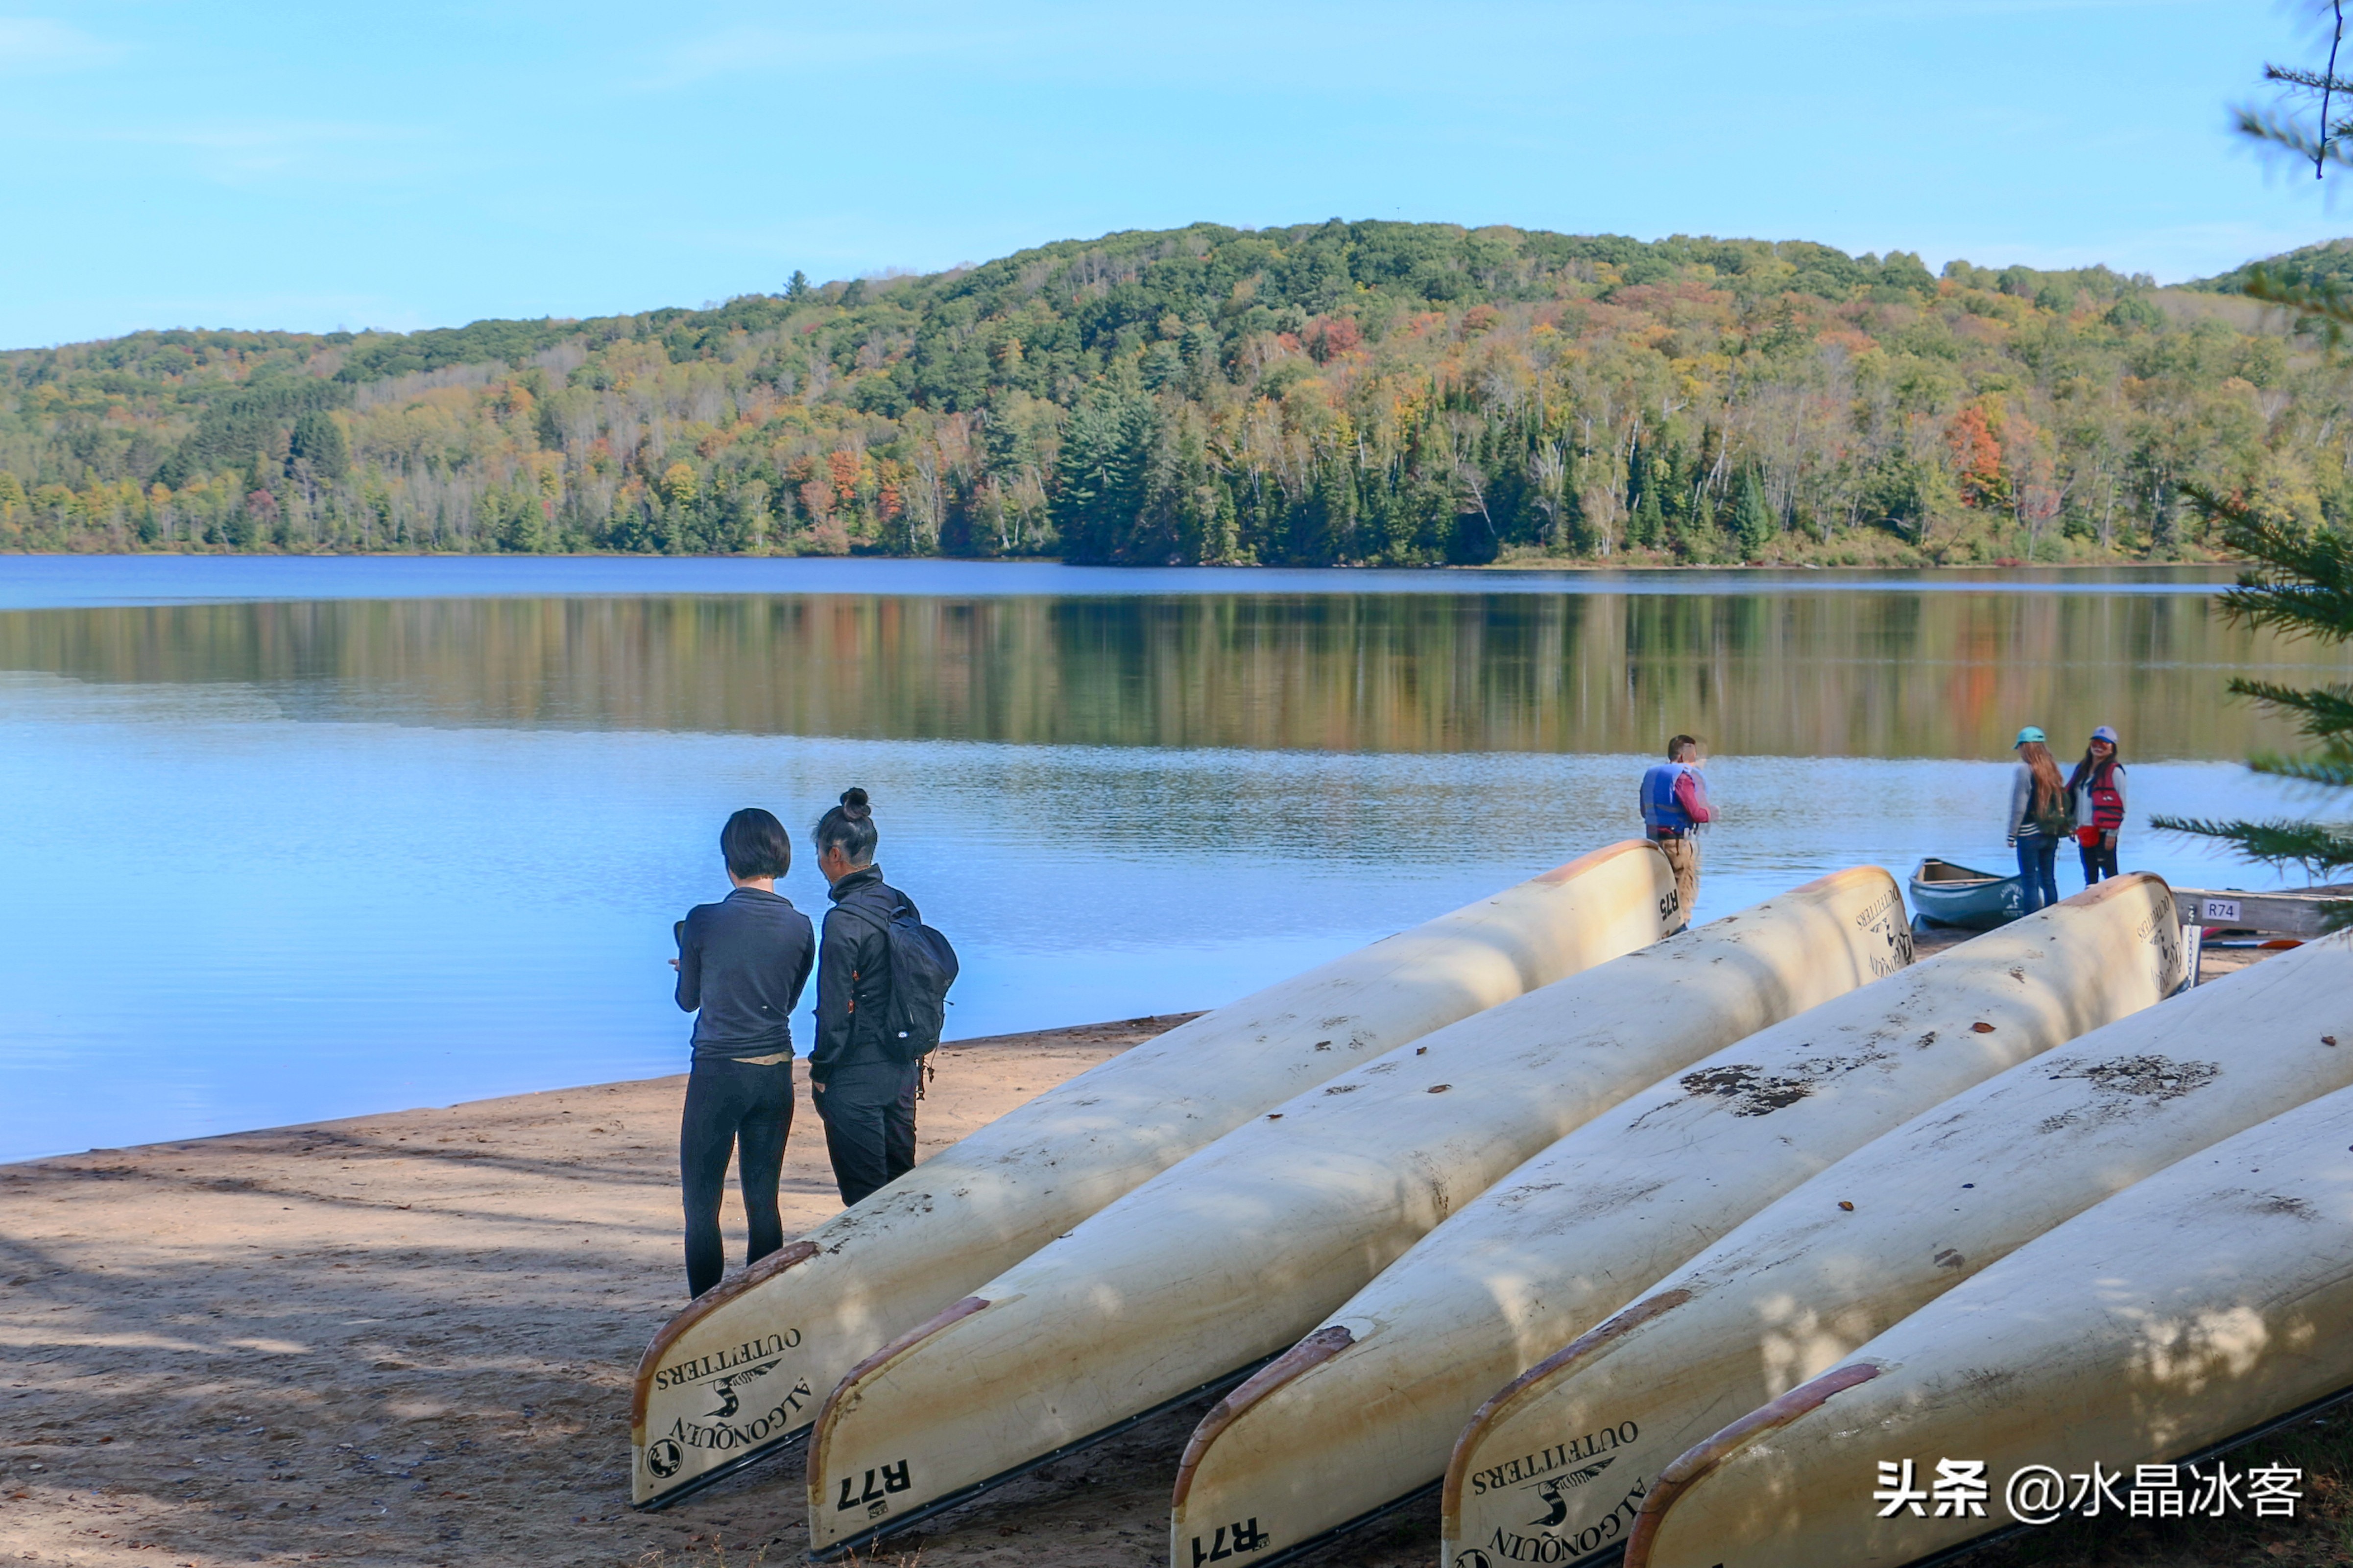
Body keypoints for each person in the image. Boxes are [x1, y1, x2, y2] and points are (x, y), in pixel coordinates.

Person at [671, 807, 814, 1300]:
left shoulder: (702, 920)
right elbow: (787, 1000)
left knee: (702, 1208)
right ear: (781, 858)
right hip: (775, 1074)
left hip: (718, 1074)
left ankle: (701, 1319)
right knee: (763, 1203)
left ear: (729, 859)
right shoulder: (801, 925)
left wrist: (691, 966)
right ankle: (760, 1311)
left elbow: (688, 1000)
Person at [809, 787, 927, 1206]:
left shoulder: (842, 921)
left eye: (821, 853)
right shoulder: (901, 903)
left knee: (863, 1203)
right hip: (902, 1070)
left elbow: (833, 1010)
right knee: (901, 1190)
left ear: (835, 855)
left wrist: (821, 1071)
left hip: (855, 1073)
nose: (820, 863)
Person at [1638, 735, 1712, 927]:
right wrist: (1710, 813)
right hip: (1679, 845)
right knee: (1684, 900)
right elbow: (1696, 813)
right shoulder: (1683, 777)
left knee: (1662, 899)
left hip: (1654, 845)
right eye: (1693, 757)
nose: (1695, 762)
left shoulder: (1651, 775)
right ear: (1682, 758)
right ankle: (1680, 938)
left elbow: (1644, 811)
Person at [2004, 727, 2071, 915]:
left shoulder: (2024, 771)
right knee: (2049, 879)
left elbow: (2019, 807)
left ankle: (2030, 923)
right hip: (2051, 833)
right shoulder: (2053, 769)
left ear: (2026, 747)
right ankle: (2053, 917)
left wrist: (2012, 834)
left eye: (2020, 748)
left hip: (2029, 835)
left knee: (2030, 880)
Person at [2067, 725, 2128, 885]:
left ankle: (2117, 908)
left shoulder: (2115, 772)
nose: (2099, 746)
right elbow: (2075, 799)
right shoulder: (2082, 769)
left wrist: (2112, 835)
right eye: (2096, 742)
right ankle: (2092, 906)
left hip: (2104, 833)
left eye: (2105, 743)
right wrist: (2072, 825)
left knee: (2111, 876)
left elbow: (2120, 807)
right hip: (2085, 831)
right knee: (2090, 875)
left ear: (2112, 747)